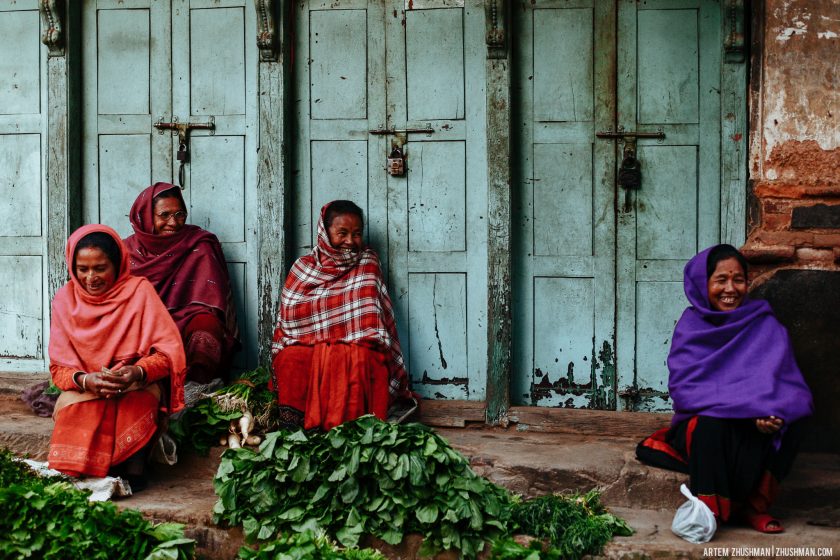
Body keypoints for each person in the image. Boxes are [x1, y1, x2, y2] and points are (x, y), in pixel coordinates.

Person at [636, 244, 813, 533]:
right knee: (710, 424)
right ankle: (712, 509)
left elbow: (786, 384)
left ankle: (755, 506)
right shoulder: (691, 327)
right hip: (710, 426)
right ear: (702, 284)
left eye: (739, 279)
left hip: (755, 422)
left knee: (797, 414)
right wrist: (749, 410)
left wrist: (772, 412)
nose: (730, 289)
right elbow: (687, 391)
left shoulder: (763, 322)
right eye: (720, 280)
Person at [47, 225, 187, 489]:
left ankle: (133, 468)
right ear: (72, 267)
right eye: (83, 269)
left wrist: (137, 372)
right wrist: (87, 380)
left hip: (132, 383)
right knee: (76, 411)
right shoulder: (65, 300)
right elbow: (58, 369)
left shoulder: (139, 292)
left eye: (100, 268)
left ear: (118, 264)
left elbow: (167, 355)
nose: (91, 277)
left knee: (139, 400)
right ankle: (85, 466)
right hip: (86, 387)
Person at [271, 200, 414, 431]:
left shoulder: (368, 261)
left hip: (358, 342)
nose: (350, 241)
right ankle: (295, 430)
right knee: (290, 359)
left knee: (364, 359)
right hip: (307, 342)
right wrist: (325, 347)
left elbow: (371, 321)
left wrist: (336, 349)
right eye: (342, 233)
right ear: (325, 233)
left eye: (357, 234)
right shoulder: (303, 267)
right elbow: (290, 321)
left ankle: (351, 431)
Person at [123, 182, 239, 383]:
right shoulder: (127, 251)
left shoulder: (199, 244)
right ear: (146, 216)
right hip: (143, 317)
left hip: (187, 316)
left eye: (180, 214)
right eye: (164, 215)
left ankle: (197, 388)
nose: (173, 223)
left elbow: (212, 301)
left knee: (206, 326)